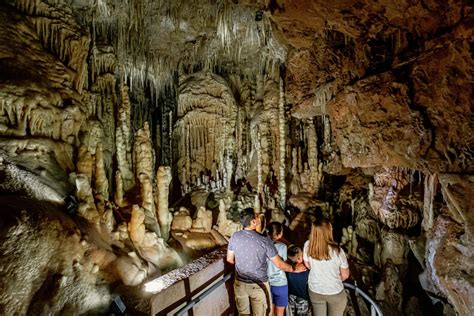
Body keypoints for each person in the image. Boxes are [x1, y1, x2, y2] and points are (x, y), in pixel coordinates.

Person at [227, 208, 306, 316]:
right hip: (258, 284)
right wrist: (293, 269)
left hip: (240, 283)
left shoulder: (235, 236)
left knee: (243, 314)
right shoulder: (264, 240)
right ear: (253, 222)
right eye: (256, 216)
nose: (258, 218)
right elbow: (279, 264)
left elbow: (230, 260)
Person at [303, 219, 350, 316]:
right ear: (328, 231)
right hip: (334, 291)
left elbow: (308, 265)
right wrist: (331, 278)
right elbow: (345, 275)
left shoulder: (308, 245)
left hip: (315, 290)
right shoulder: (337, 251)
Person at [266, 222, 288, 316]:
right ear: (279, 234)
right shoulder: (283, 247)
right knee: (279, 313)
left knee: (268, 311)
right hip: (280, 283)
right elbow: (284, 264)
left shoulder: (262, 245)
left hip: (266, 283)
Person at [286, 245, 310, 316]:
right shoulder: (306, 269)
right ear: (299, 258)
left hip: (291, 297)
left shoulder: (288, 269)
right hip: (303, 298)